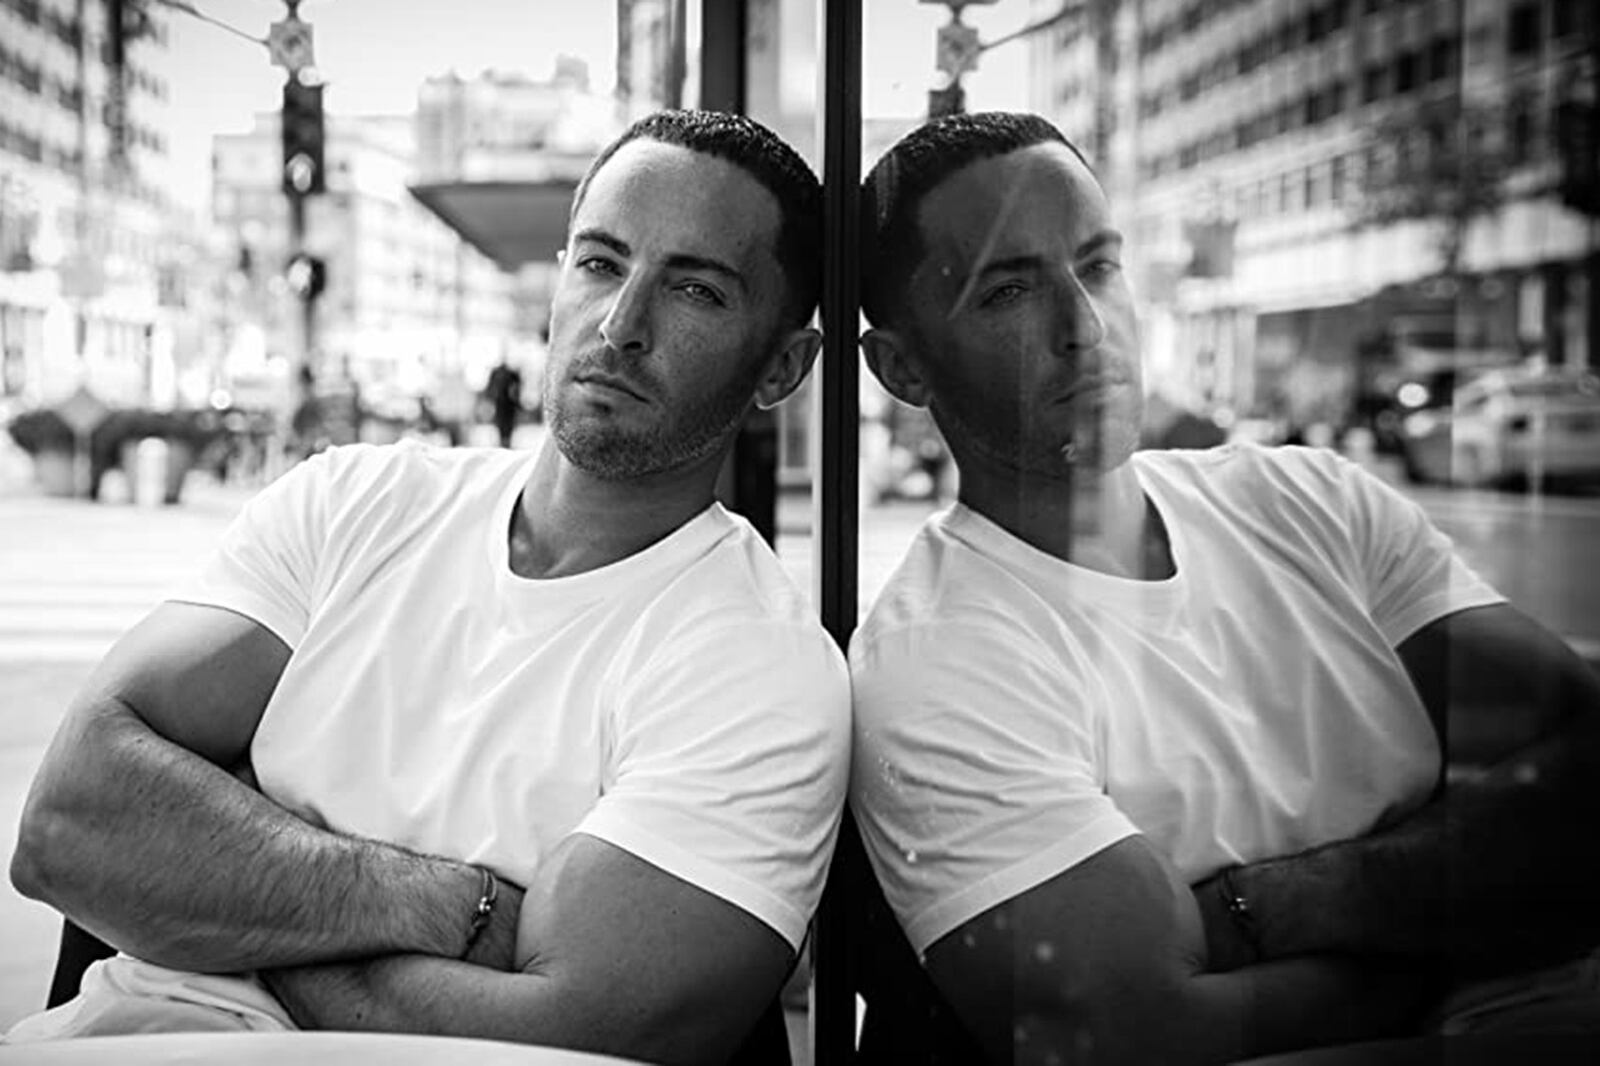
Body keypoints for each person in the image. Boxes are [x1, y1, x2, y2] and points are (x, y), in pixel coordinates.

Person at [7, 109, 850, 1065]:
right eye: (600, 263)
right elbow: (66, 825)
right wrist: (461, 906)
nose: (621, 325)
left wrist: (226, 876)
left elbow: (585, 1033)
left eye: (695, 290)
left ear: (782, 366)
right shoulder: (352, 500)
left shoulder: (758, 667)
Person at [848, 112, 1600, 1064]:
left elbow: (1582, 767)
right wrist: (1472, 921)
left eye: (1099, 265)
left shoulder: (1310, 500)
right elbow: (1138, 1034)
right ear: (903, 368)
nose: (1086, 327)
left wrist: (1279, 905)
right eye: (1008, 292)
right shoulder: (937, 661)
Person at [483, 357, 524, 448]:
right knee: (504, 424)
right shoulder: (504, 373)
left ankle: (505, 442)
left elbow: (516, 390)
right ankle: (505, 442)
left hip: (505, 404)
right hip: (503, 404)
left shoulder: (508, 373)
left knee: (505, 424)